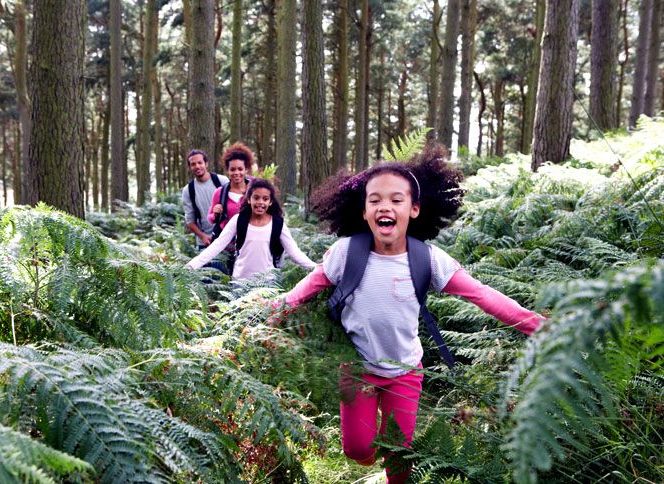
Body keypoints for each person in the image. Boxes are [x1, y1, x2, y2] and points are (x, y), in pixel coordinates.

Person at [271, 143, 545, 483]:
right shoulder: (345, 253)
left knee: (401, 455)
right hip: (357, 370)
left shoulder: (427, 259)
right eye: (375, 200)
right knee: (358, 451)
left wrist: (538, 326)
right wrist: (266, 315)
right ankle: (372, 455)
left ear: (413, 210)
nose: (385, 206)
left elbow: (482, 295)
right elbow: (302, 291)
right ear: (364, 211)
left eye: (396, 200)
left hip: (405, 371)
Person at [186, 178, 316, 281]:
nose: (260, 202)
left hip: (268, 285)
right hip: (240, 284)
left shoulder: (278, 223)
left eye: (265, 199)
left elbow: (295, 252)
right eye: (256, 197)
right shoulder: (238, 220)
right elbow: (217, 246)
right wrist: (190, 266)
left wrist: (317, 269)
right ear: (249, 199)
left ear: (270, 202)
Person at [207, 142, 254, 273]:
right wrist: (215, 213)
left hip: (248, 246)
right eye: (232, 169)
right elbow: (210, 218)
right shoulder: (220, 193)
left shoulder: (254, 191)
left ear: (246, 169)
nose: (236, 173)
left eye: (240, 169)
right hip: (224, 248)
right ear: (227, 170)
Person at [181, 149, 229, 250]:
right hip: (206, 241)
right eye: (193, 164)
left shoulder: (222, 181)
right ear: (190, 167)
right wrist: (203, 236)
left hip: (227, 238)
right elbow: (190, 220)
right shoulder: (188, 190)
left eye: (200, 162)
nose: (197, 166)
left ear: (206, 164)